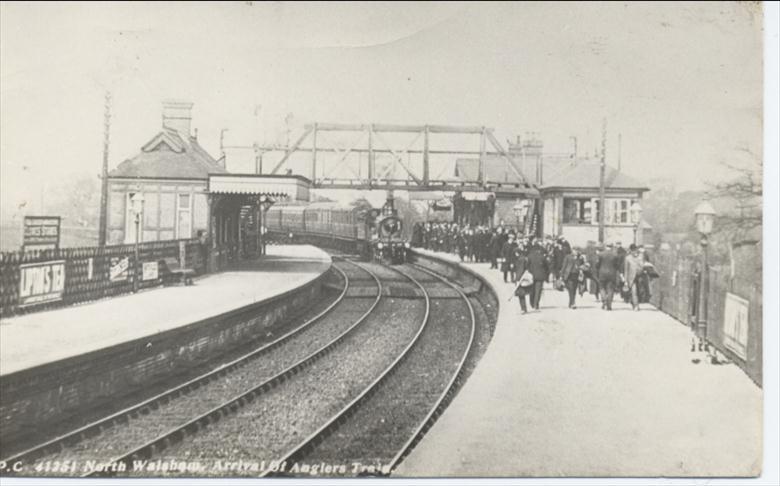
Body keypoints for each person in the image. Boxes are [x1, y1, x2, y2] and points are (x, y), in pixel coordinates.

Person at [595, 243, 620, 310]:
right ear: (612, 247)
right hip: (612, 274)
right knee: (610, 289)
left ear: (606, 246)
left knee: (602, 288)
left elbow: (597, 265)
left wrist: (598, 269)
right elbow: (617, 265)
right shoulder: (615, 255)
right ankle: (609, 305)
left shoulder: (600, 254)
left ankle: (604, 301)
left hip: (602, 273)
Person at [527, 241, 548, 310]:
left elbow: (527, 266)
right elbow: (546, 267)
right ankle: (536, 304)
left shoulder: (529, 256)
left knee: (532, 290)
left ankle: (531, 303)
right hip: (540, 276)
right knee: (538, 291)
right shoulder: (542, 257)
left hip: (531, 276)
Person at [623, 244, 644, 311]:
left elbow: (643, 265)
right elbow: (626, 270)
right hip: (632, 278)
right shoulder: (627, 258)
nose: (635, 252)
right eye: (633, 250)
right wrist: (625, 281)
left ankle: (634, 303)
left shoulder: (640, 256)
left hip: (640, 276)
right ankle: (636, 305)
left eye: (635, 250)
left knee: (639, 291)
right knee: (634, 291)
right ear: (631, 250)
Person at [513, 248, 531, 314]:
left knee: (521, 294)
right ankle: (524, 308)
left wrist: (517, 279)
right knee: (522, 294)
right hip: (523, 278)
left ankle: (523, 309)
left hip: (520, 279)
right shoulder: (524, 258)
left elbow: (520, 270)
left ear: (517, 253)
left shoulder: (520, 260)